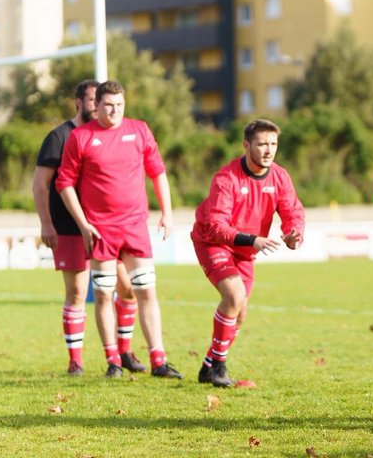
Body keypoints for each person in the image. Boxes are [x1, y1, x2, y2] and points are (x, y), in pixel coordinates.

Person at [55, 79, 182, 379]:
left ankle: (158, 360)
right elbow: (64, 183)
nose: (114, 111)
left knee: (146, 291)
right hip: (101, 231)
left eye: (120, 105)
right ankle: (113, 360)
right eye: (109, 105)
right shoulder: (81, 137)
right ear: (96, 105)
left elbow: (158, 172)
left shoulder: (139, 130)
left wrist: (167, 213)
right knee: (103, 295)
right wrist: (84, 224)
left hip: (135, 227)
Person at [34, 79, 147, 376]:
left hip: (108, 228)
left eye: (102, 101)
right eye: (92, 100)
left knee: (127, 289)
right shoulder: (59, 137)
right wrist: (46, 222)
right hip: (70, 228)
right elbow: (41, 183)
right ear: (79, 102)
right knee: (78, 292)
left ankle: (124, 352)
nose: (98, 106)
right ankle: (76, 360)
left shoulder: (116, 133)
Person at [191, 119, 305, 387]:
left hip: (246, 251)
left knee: (240, 312)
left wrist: (294, 234)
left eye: (273, 144)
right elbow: (216, 225)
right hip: (213, 242)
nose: (269, 150)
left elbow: (293, 212)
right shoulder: (226, 178)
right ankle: (219, 367)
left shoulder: (280, 176)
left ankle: (208, 366)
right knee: (234, 295)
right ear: (246, 145)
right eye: (262, 144)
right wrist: (253, 240)